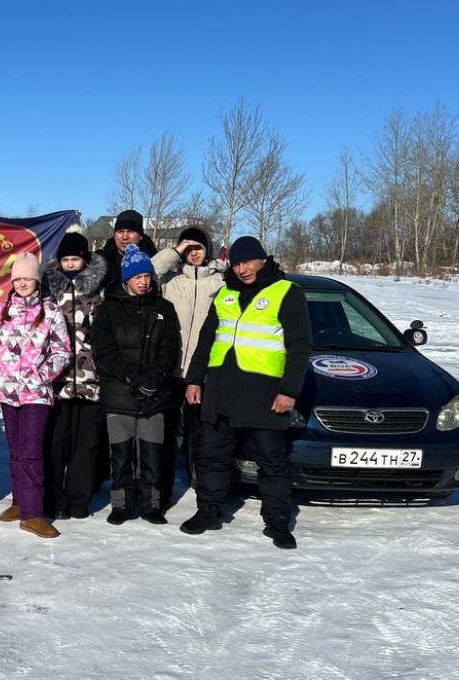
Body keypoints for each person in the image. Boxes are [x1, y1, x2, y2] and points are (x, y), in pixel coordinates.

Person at [180, 236, 312, 550]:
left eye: (248, 262)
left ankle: (277, 522)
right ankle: (208, 511)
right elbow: (205, 342)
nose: (242, 269)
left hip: (264, 393)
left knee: (272, 461)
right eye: (237, 263)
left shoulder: (286, 293)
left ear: (263, 260)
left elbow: (300, 348)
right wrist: (194, 381)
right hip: (220, 390)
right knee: (212, 457)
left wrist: (289, 391)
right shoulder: (224, 293)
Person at [0, 251, 71, 539]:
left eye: (27, 278)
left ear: (36, 279)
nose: (22, 283)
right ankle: (20, 502)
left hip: (36, 394)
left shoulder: (50, 311)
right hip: (8, 393)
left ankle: (33, 514)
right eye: (17, 278)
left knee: (32, 452)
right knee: (16, 451)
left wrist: (42, 377)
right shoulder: (1, 310)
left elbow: (62, 351)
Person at [91, 244, 181, 525]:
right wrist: (132, 376)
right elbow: (103, 351)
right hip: (120, 393)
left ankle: (151, 505)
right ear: (125, 279)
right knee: (121, 455)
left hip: (155, 394)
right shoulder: (108, 310)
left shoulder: (164, 308)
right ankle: (121, 504)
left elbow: (170, 348)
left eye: (147, 277)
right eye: (137, 277)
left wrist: (154, 378)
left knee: (152, 453)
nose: (143, 282)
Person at [40, 231, 109, 520]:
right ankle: (55, 498)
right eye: (65, 259)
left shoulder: (98, 289)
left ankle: (79, 498)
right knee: (56, 443)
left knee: (86, 444)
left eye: (75, 259)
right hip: (59, 380)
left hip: (91, 379)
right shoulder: (49, 289)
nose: (70, 264)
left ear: (85, 260)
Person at [156, 226, 226, 510]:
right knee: (168, 434)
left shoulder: (220, 282)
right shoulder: (171, 283)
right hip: (172, 371)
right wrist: (175, 252)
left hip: (205, 373)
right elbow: (147, 271)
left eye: (199, 247)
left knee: (203, 434)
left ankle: (204, 492)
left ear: (208, 249)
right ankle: (162, 492)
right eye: (189, 247)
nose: (194, 253)